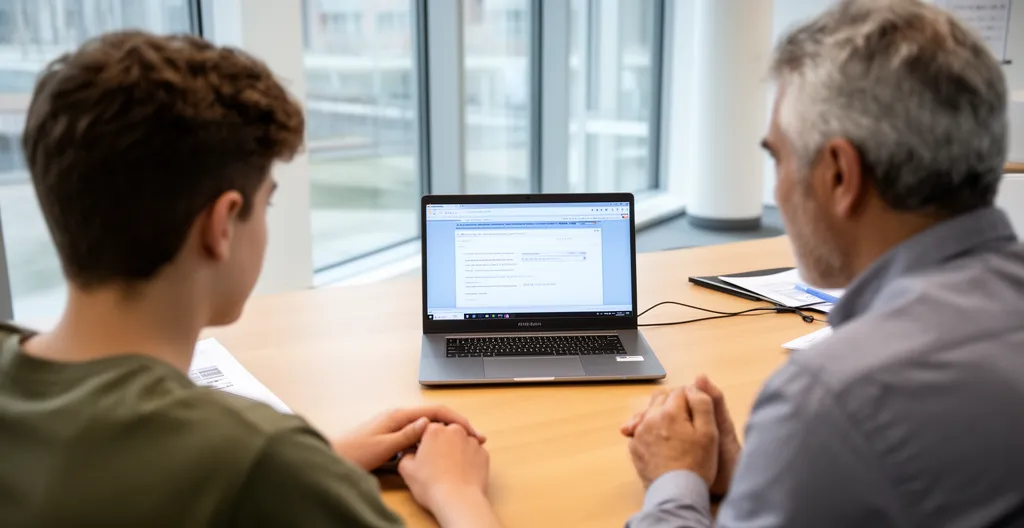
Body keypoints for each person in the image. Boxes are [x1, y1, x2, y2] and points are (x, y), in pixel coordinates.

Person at [0, 31, 500, 528]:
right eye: (268, 202)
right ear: (222, 226)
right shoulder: (255, 458)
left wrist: (319, 462)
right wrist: (456, 492)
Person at [622, 0, 1024, 526]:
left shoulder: (834, 397)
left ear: (839, 175)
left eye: (778, 157)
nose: (778, 187)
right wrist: (766, 473)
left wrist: (677, 476)